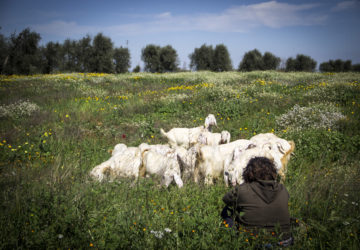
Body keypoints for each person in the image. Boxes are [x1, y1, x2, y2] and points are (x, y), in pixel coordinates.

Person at [222, 156, 293, 246]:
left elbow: (226, 199)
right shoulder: (282, 189)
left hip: (251, 242)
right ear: (272, 172)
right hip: (284, 241)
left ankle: (232, 239)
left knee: (226, 210)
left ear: (248, 172)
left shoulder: (243, 190)